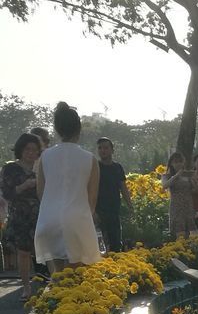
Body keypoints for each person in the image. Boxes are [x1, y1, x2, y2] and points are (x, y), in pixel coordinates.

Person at [34, 101, 101, 270]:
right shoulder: (89, 158)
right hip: (77, 218)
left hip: (48, 218)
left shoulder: (45, 156)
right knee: (76, 279)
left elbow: (41, 192)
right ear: (79, 129)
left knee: (58, 279)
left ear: (56, 129)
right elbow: (92, 199)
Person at [2, 132, 43, 299]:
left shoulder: (41, 167)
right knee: (24, 252)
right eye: (27, 149)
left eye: (34, 149)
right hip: (20, 216)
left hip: (41, 214)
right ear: (20, 149)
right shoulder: (10, 168)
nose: (31, 153)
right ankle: (26, 287)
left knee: (44, 251)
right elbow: (7, 193)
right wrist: (24, 185)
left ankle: (51, 283)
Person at [94, 137, 131, 252]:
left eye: (105, 148)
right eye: (100, 148)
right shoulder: (95, 167)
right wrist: (92, 211)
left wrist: (130, 204)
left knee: (115, 242)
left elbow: (123, 187)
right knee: (100, 245)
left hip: (114, 210)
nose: (102, 151)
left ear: (112, 150)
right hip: (99, 210)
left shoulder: (117, 167)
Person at [162, 152, 197, 239]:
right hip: (176, 206)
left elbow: (194, 189)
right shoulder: (167, 176)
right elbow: (165, 186)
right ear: (171, 164)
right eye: (176, 162)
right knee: (179, 234)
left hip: (188, 206)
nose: (178, 164)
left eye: (180, 161)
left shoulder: (188, 175)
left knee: (189, 234)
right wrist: (177, 175)